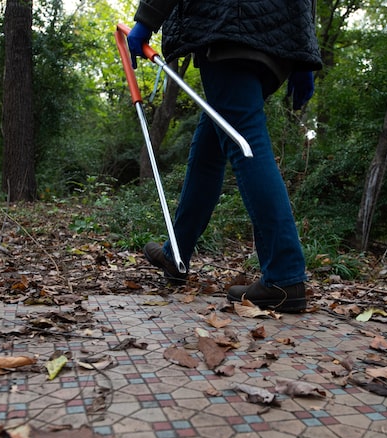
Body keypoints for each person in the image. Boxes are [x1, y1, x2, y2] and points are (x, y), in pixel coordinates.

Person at [127, 0, 322, 313]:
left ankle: (285, 274)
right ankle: (177, 251)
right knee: (209, 149)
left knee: (244, 138)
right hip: (274, 42)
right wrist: (304, 56)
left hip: (230, 26)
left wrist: (146, 21)